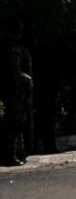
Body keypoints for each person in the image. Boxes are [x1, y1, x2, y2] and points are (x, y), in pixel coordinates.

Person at [0, 18, 34, 166]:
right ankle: (11, 155)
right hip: (13, 89)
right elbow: (13, 70)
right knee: (14, 123)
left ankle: (18, 152)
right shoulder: (11, 47)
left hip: (10, 88)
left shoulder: (6, 45)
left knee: (17, 122)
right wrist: (27, 79)